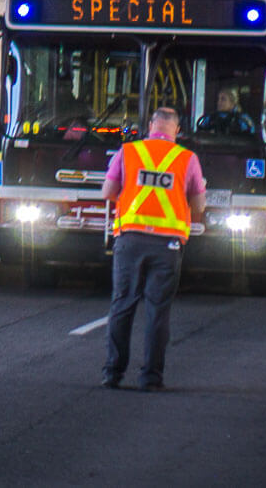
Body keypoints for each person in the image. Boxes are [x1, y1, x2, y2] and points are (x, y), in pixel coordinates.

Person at [100, 106, 206, 392]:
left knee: (122, 304)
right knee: (158, 311)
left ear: (150, 126)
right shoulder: (187, 159)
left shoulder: (128, 152)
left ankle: (113, 373)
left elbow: (107, 192)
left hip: (130, 239)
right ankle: (150, 378)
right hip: (168, 245)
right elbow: (198, 206)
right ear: (177, 131)